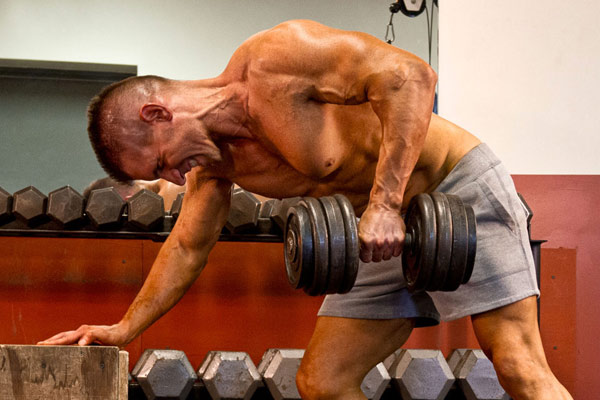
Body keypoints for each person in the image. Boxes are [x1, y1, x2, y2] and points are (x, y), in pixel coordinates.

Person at [38, 20, 571, 399]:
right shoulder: (215, 167)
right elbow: (187, 247)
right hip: (376, 229)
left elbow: (411, 77)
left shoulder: (275, 61)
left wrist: (386, 203)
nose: (174, 178)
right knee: (323, 381)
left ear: (159, 112)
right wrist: (125, 328)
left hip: (454, 188)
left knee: (519, 369)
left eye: (162, 162)